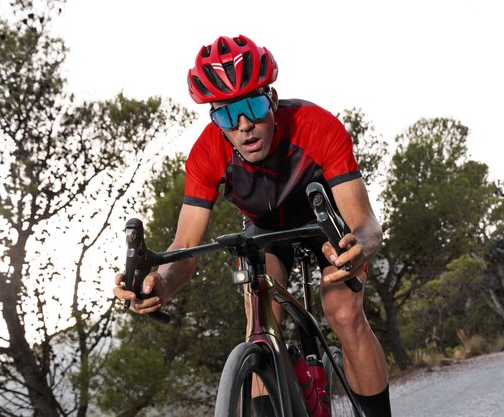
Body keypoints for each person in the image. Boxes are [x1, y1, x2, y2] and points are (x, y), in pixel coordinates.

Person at [113, 34, 391, 417]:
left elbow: (365, 222)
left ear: (272, 100)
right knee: (260, 320)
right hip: (264, 230)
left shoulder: (317, 125)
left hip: (324, 223)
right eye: (227, 114)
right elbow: (185, 247)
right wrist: (160, 283)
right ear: (217, 121)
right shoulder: (206, 153)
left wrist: (358, 246)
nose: (244, 125)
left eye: (253, 105)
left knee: (342, 310)